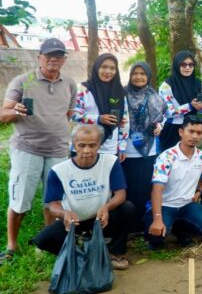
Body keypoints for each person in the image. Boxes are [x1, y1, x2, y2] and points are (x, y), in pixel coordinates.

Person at [0, 38, 77, 264]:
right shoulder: (24, 81)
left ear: (64, 59)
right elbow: (3, 114)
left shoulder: (69, 84)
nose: (53, 59)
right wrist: (15, 111)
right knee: (20, 199)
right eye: (48, 55)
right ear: (39, 57)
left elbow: (68, 114)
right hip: (28, 148)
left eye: (58, 55)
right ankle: (11, 245)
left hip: (58, 149)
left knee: (53, 200)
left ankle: (47, 242)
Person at [32, 125, 135, 270]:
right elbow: (52, 205)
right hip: (73, 222)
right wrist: (64, 213)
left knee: (127, 208)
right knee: (43, 240)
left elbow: (120, 194)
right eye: (81, 145)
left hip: (101, 219)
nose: (87, 150)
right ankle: (82, 249)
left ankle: (115, 252)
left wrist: (106, 207)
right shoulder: (59, 171)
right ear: (73, 145)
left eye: (92, 145)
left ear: (99, 145)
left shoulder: (110, 162)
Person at [145, 117, 202, 248]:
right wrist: (157, 219)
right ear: (181, 132)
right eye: (191, 131)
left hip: (187, 205)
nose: (195, 136)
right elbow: (156, 190)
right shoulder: (166, 157)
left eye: (199, 133)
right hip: (165, 205)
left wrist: (199, 191)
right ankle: (163, 225)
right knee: (156, 239)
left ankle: (179, 229)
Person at [123, 62, 166, 232]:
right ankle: (130, 226)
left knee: (144, 188)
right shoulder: (122, 94)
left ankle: (144, 224)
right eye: (135, 73)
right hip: (126, 149)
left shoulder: (155, 97)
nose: (139, 77)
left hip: (149, 149)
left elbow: (162, 118)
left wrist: (159, 126)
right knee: (129, 188)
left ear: (148, 76)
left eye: (143, 74)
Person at [72, 53, 130, 159]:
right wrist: (98, 119)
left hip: (110, 148)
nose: (108, 71)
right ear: (97, 68)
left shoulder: (120, 92)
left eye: (112, 68)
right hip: (84, 146)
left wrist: (122, 146)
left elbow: (125, 120)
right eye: (104, 67)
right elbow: (73, 115)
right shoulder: (82, 89)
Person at [159, 51, 202, 151]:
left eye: (191, 64)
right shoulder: (166, 86)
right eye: (183, 64)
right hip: (172, 130)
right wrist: (190, 106)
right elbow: (168, 112)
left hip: (192, 129)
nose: (187, 68)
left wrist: (200, 106)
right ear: (177, 65)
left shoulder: (197, 83)